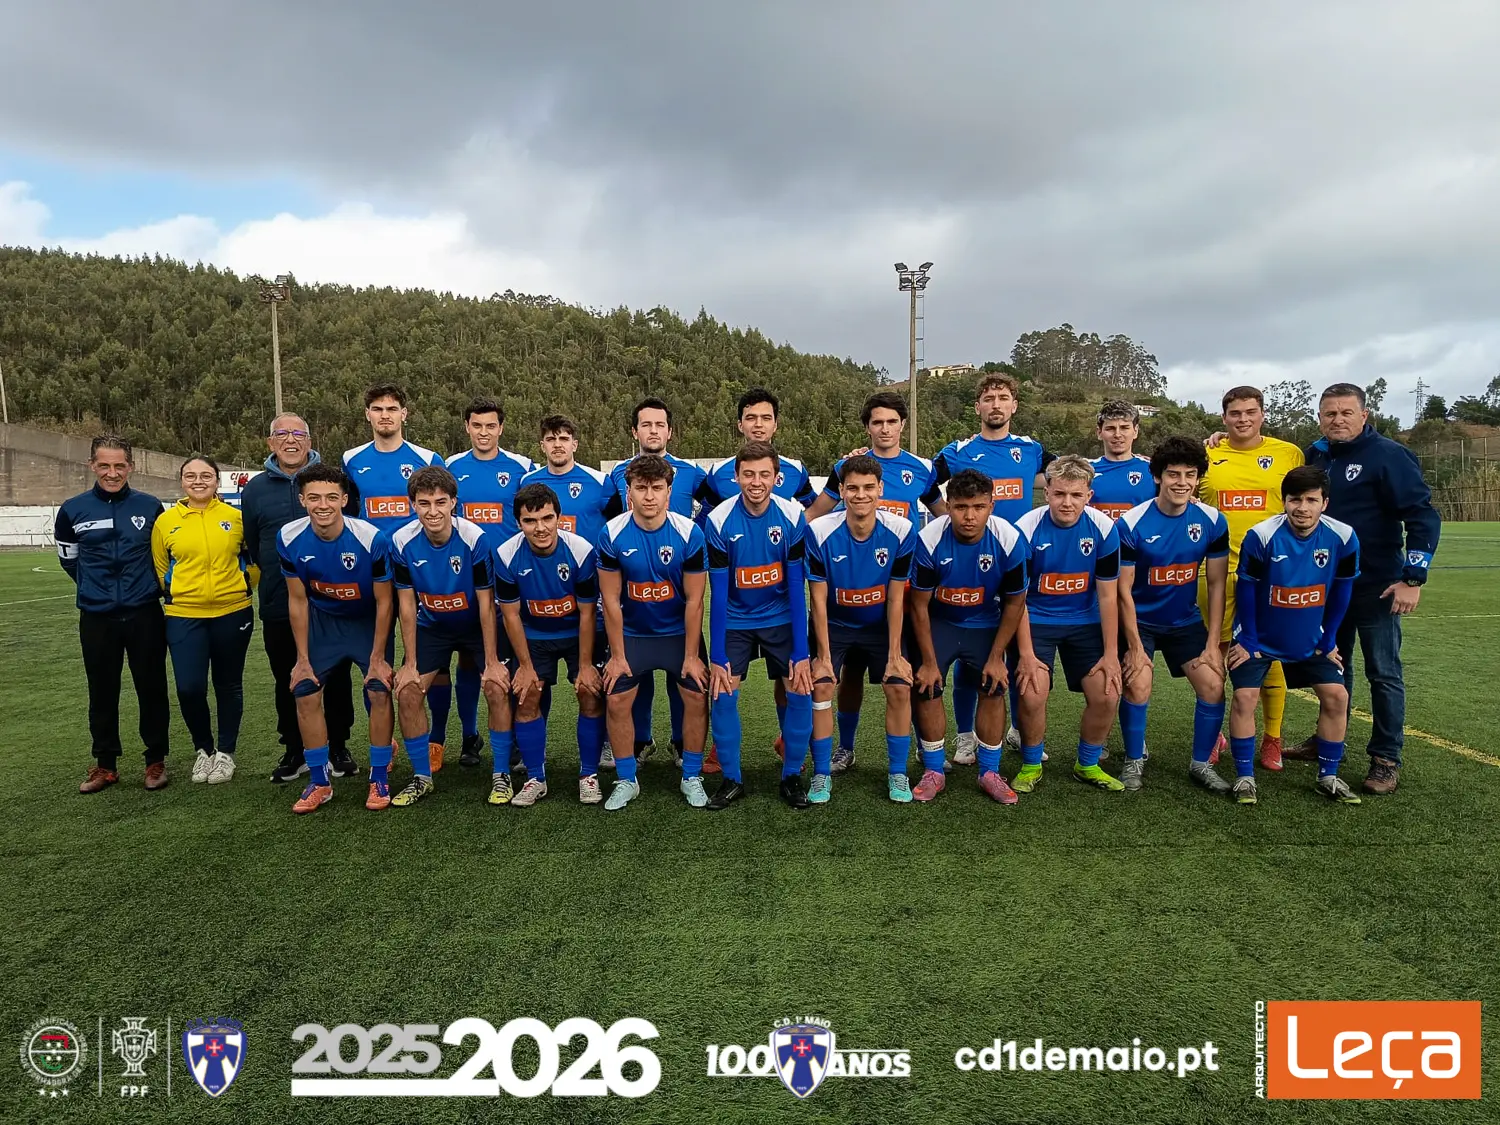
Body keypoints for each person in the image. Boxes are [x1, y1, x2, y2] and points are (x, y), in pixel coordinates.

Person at [1292, 383, 1441, 794]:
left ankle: (1385, 758)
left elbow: (1422, 516)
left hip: (1377, 586)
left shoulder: (1389, 455)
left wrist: (1413, 578)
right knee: (1330, 666)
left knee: (1383, 672)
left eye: (1346, 412)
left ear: (1364, 415)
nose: (1337, 420)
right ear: (1320, 417)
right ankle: (1327, 740)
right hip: (1327, 586)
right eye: (1329, 413)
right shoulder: (1316, 455)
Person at [807, 390, 943, 773]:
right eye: (877, 422)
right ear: (867, 427)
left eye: (891, 421)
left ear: (903, 424)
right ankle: (845, 748)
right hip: (852, 580)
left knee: (904, 672)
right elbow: (816, 512)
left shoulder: (922, 468)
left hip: (903, 587)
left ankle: (923, 747)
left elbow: (944, 514)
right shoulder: (847, 467)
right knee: (849, 673)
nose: (884, 428)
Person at [931, 372, 1055, 762]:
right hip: (971, 563)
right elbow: (923, 481)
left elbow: (1068, 474)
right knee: (969, 652)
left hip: (1017, 561)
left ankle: (1016, 730)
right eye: (989, 398)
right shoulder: (958, 451)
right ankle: (965, 735)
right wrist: (946, 520)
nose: (996, 404)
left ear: (1014, 405)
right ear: (978, 407)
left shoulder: (1032, 449)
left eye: (1003, 398)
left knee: (1015, 650)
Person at [1226, 466, 1361, 805]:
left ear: (1324, 503)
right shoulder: (1261, 535)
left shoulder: (1344, 537)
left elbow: (1343, 590)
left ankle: (1328, 776)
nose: (1302, 507)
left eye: (1311, 500)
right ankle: (1244, 777)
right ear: (1284, 501)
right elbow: (1246, 589)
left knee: (1337, 697)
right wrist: (1249, 640)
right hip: (1259, 636)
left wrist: (1329, 639)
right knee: (1244, 698)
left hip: (1309, 637)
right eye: (1295, 499)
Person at [698, 388, 815, 769]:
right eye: (751, 417)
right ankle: (727, 762)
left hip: (779, 610)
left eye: (766, 418)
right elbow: (703, 522)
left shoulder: (794, 487)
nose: (758, 424)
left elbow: (816, 511)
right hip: (737, 613)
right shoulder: (718, 492)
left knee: (793, 682)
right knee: (723, 689)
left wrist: (801, 651)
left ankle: (790, 754)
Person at [241, 413, 361, 783]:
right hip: (280, 599)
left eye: (298, 433)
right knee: (287, 676)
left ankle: (338, 746)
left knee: (336, 676)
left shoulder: (335, 479)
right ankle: (294, 749)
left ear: (309, 440)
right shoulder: (255, 490)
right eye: (282, 433)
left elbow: (349, 529)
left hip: (331, 601)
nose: (290, 440)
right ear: (270, 442)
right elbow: (255, 544)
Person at [274, 463, 396, 813]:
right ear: (302, 500)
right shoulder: (288, 537)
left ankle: (379, 777)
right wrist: (302, 659)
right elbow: (297, 600)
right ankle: (319, 781)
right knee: (305, 690)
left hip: (365, 622)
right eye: (314, 498)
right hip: (323, 623)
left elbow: (385, 601)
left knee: (379, 689)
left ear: (344, 500)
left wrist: (377, 657)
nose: (322, 505)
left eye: (331, 497)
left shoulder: (371, 538)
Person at [389, 467, 512, 806]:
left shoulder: (475, 539)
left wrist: (491, 661)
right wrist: (410, 663)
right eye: (424, 503)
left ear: (453, 503)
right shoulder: (401, 542)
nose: (433, 511)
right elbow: (406, 604)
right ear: (412, 504)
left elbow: (487, 604)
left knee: (496, 686)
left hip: (475, 624)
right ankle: (421, 777)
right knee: (408, 692)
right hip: (433, 627)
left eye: (440, 502)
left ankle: (501, 774)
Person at [56, 435, 172, 793]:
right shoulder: (72, 510)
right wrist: (97, 589)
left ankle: (155, 761)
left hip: (144, 613)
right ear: (92, 465)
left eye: (119, 465)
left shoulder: (150, 506)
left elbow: (161, 557)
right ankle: (105, 765)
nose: (112, 472)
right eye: (104, 465)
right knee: (102, 691)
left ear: (130, 467)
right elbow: (69, 561)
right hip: (97, 616)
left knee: (152, 688)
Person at [1114, 437, 1231, 793]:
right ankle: (1134, 757)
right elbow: (1122, 590)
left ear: (1198, 479)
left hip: (1184, 621)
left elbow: (1216, 585)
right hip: (1140, 621)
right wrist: (1135, 647)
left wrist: (1213, 644)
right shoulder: (1131, 523)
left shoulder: (1212, 521)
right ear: (1158, 477)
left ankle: (1201, 764)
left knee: (1213, 684)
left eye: (1190, 475)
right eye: (1173, 474)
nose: (1182, 482)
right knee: (1137, 683)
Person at [344, 384, 451, 768]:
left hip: (418, 570)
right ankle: (384, 741)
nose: (385, 415)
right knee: (375, 658)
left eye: (392, 408)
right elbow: (350, 517)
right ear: (367, 414)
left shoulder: (426, 458)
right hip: (372, 573)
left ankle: (436, 738)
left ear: (404, 413)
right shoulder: (352, 459)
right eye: (378, 409)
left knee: (429, 658)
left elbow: (440, 512)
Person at [596, 456, 712, 810]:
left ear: (668, 492)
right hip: (634, 634)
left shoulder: (689, 533)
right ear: (628, 492)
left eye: (657, 488)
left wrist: (691, 656)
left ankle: (691, 776)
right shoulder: (612, 533)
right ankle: (626, 780)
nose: (649, 496)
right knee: (616, 698)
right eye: (641, 488)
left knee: (696, 695)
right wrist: (617, 656)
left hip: (677, 634)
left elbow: (695, 600)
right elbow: (611, 600)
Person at [907, 469, 1029, 802]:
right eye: (961, 507)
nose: (969, 516)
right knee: (927, 686)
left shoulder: (1009, 539)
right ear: (948, 506)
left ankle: (989, 771)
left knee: (994, 687)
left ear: (991, 506)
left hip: (984, 622)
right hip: (940, 622)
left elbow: (1015, 602)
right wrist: (928, 661)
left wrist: (997, 657)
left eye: (978, 507)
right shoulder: (930, 539)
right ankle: (933, 770)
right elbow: (918, 605)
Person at [1199, 386, 1304, 770]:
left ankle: (1272, 739)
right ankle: (1214, 734)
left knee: (1268, 653)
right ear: (1224, 418)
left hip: (1270, 572)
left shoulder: (1288, 453)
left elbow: (1303, 502)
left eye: (1250, 412)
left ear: (1262, 414)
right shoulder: (1208, 454)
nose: (1243, 419)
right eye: (1235, 413)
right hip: (1215, 571)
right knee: (1216, 653)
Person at [806, 456, 917, 803]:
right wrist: (823, 657)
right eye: (852, 488)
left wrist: (895, 654)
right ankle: (822, 773)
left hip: (879, 625)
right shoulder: (820, 531)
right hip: (835, 623)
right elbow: (818, 599)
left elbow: (896, 598)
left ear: (880, 489)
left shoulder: (901, 530)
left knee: (899, 685)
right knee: (822, 685)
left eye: (869, 487)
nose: (861, 495)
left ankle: (897, 773)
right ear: (841, 490)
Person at [1011, 455, 1125, 793]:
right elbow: (1018, 599)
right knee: (1032, 692)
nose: (1067, 502)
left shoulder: (1104, 528)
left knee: (1107, 692)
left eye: (1076, 495)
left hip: (1085, 621)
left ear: (1089, 495)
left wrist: (1111, 654)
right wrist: (1026, 655)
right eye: (1060, 494)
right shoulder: (1026, 528)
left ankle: (1087, 764)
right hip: (1036, 618)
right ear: (1046, 492)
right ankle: (1031, 764)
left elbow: (1108, 596)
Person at [607, 398, 709, 766]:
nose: (653, 430)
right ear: (634, 431)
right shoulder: (617, 474)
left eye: (659, 424)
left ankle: (682, 743)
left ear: (669, 431)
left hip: (676, 590)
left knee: (684, 674)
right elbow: (606, 516)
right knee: (637, 674)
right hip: (634, 587)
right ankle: (641, 740)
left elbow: (716, 505)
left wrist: (698, 535)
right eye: (646, 424)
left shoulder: (691, 473)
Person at [494, 482, 608, 806]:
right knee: (527, 694)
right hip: (534, 635)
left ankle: (588, 775)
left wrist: (585, 666)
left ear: (559, 517)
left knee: (589, 691)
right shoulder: (506, 554)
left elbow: (588, 613)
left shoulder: (581, 551)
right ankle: (536, 778)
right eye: (530, 521)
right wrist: (525, 667)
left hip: (576, 632)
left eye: (547, 518)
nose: (540, 528)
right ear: (519, 522)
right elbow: (510, 615)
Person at [152, 454, 258, 785]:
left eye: (206, 475)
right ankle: (204, 750)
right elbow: (160, 566)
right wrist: (177, 591)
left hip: (233, 612)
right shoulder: (166, 522)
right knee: (189, 687)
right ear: (182, 481)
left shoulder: (236, 518)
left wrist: (241, 585)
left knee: (228, 684)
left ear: (216, 480)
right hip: (184, 615)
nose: (198, 481)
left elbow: (253, 560)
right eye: (191, 476)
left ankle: (225, 753)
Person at [446, 397, 536, 769]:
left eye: (491, 426)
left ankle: (513, 738)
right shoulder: (451, 466)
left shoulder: (522, 468)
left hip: (511, 577)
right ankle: (470, 736)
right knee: (470, 659)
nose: (484, 433)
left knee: (511, 658)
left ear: (501, 428)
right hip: (465, 577)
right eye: (477, 425)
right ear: (467, 427)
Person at [1089, 400, 1155, 520]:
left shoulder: (1153, 469)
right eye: (1110, 428)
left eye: (1124, 428)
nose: (1117, 434)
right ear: (1099, 432)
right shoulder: (1085, 470)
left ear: (1135, 431)